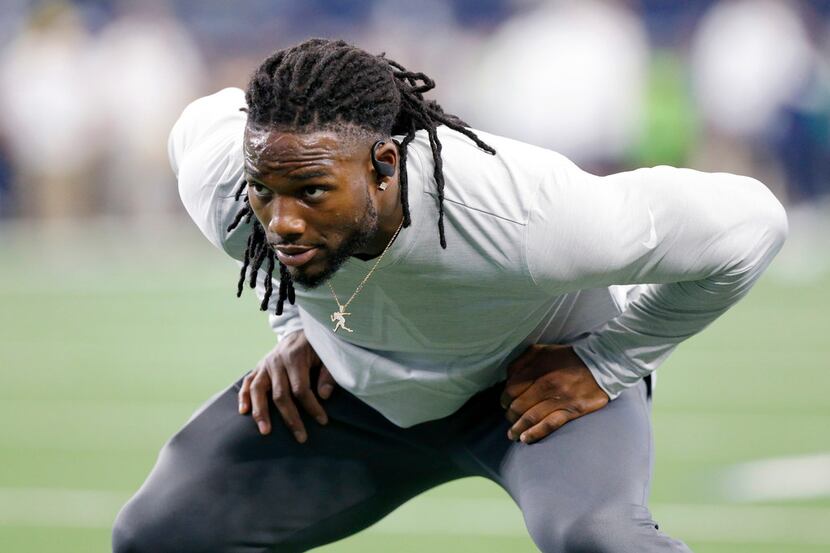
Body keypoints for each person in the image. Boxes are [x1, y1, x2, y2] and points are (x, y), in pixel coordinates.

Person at [112, 39, 787, 553]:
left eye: (312, 191)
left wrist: (609, 361)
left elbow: (753, 223)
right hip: (360, 394)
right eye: (267, 189)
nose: (281, 221)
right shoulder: (235, 187)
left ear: (384, 166)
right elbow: (199, 124)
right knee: (161, 531)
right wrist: (294, 326)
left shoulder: (529, 217)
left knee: (597, 536)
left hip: (530, 386)